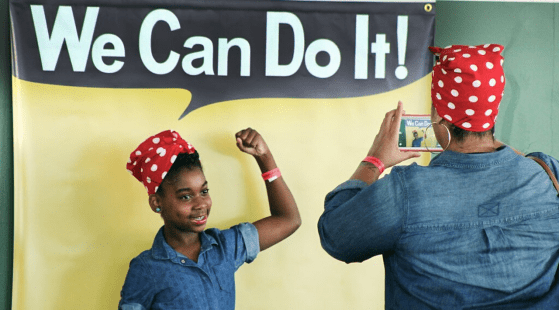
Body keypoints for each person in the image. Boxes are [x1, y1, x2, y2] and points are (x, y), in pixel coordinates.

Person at [318, 44, 559, 309]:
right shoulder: (546, 175)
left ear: (438, 112)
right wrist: (478, 127)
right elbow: (510, 158)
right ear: (494, 110)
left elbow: (336, 236)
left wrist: (374, 159)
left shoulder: (404, 193)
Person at [119, 128, 300, 310]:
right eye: (185, 196)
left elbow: (288, 219)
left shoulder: (225, 247)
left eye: (204, 191)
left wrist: (264, 157)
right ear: (156, 202)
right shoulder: (146, 269)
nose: (201, 204)